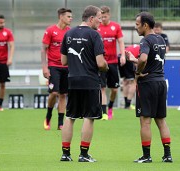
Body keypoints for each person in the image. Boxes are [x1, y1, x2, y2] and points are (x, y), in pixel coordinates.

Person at [59, 5, 108, 162]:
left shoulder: (69, 33)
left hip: (73, 79)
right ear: (91, 18)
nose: (101, 22)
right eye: (99, 18)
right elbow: (100, 63)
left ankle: (65, 154)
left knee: (70, 116)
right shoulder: (94, 35)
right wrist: (106, 67)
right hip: (90, 80)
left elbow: (63, 60)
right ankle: (84, 154)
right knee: (89, 117)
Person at [127, 11, 173, 163]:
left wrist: (138, 72)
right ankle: (167, 155)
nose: (136, 27)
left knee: (145, 121)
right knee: (161, 120)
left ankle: (146, 156)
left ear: (145, 25)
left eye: (137, 24)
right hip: (160, 81)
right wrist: (136, 60)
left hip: (148, 84)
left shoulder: (145, 41)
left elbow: (145, 59)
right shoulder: (160, 39)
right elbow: (153, 60)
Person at [41, 8, 73, 130]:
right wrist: (45, 67)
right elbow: (43, 49)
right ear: (61, 16)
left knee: (63, 94)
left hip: (66, 67)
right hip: (53, 66)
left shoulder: (70, 32)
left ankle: (60, 122)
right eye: (69, 16)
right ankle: (48, 117)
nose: (71, 18)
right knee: (54, 93)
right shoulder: (50, 31)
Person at [97, 6, 126, 120]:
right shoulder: (97, 27)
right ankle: (104, 112)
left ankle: (110, 107)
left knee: (114, 89)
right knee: (102, 88)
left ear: (109, 15)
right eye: (101, 16)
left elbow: (121, 41)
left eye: (105, 16)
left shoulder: (116, 27)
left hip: (113, 62)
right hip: (101, 62)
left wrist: (123, 55)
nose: (103, 19)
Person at [118, 44, 140, 109]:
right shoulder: (143, 50)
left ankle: (126, 104)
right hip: (127, 58)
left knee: (125, 81)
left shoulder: (135, 46)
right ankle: (128, 104)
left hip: (120, 56)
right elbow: (138, 62)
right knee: (133, 82)